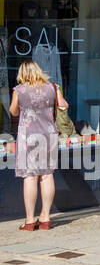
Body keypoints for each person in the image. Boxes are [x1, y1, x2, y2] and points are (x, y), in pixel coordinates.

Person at [9, 60, 66, 231]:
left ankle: (29, 220)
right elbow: (63, 106)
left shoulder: (19, 90)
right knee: (47, 175)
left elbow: (13, 112)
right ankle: (45, 218)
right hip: (48, 135)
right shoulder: (53, 87)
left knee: (30, 176)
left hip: (28, 136)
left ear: (22, 73)